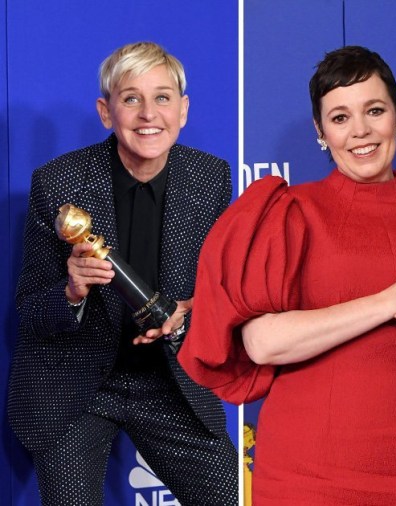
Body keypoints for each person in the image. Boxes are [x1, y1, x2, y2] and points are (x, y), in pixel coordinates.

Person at [177, 45, 396, 505]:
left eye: (375, 110)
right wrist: (390, 299)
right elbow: (262, 343)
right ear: (320, 131)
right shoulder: (289, 212)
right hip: (305, 474)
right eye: (340, 117)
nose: (360, 131)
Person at [7, 42, 237, 505]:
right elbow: (29, 309)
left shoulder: (210, 177)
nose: (148, 113)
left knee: (230, 494)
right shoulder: (58, 182)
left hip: (167, 381)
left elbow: (224, 293)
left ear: (184, 109)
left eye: (163, 97)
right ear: (106, 111)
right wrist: (71, 292)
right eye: (130, 98)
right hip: (76, 387)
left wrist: (189, 313)